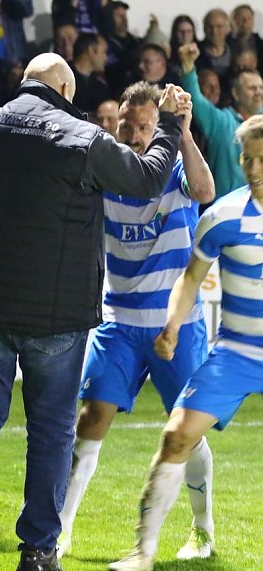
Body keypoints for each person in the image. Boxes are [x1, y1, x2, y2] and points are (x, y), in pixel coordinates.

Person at [0, 53, 186, 571]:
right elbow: (145, 180)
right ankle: (37, 549)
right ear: (64, 87)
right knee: (51, 429)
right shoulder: (82, 137)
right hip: (54, 313)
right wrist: (167, 125)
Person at [56, 81, 215, 561]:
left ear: (158, 126)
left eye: (146, 126)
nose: (135, 134)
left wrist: (182, 132)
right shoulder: (106, 173)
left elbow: (205, 191)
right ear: (114, 123)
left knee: (189, 432)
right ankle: (60, 531)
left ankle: (202, 530)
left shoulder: (175, 170)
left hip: (176, 323)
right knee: (90, 420)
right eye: (126, 125)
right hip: (119, 321)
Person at [109, 114, 263, 571]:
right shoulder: (221, 217)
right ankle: (144, 552)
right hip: (236, 353)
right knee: (176, 435)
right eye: (247, 159)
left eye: (262, 159)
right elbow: (190, 281)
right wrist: (173, 325)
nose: (253, 168)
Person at [178, 42, 263, 199]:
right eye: (252, 88)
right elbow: (196, 100)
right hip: (227, 213)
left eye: (260, 87)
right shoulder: (220, 122)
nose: (258, 92)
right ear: (236, 94)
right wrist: (188, 66)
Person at [70, 32, 110, 115]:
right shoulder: (62, 77)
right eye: (104, 52)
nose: (106, 58)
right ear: (91, 50)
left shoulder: (100, 86)